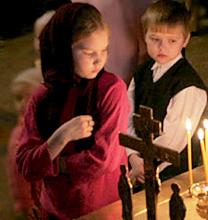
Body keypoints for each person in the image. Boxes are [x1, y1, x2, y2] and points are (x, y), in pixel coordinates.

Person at [16, 3, 130, 219]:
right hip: (54, 209)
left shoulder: (111, 89)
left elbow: (103, 160)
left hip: (100, 208)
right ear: (64, 50)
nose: (99, 60)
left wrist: (54, 164)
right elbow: (26, 166)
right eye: (88, 52)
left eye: (104, 50)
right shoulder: (43, 96)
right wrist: (60, 138)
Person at [126, 0, 208, 186]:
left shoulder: (188, 86)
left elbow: (174, 139)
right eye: (155, 39)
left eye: (172, 40)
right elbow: (127, 115)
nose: (162, 47)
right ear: (144, 35)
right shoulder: (142, 72)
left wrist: (146, 167)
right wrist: (132, 156)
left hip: (171, 172)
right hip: (137, 164)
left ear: (185, 40)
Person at [72, 0, 153, 84]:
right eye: (88, 53)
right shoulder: (76, 8)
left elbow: (146, 56)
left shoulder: (140, 6)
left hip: (125, 86)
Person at [7, 67, 44, 219]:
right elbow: (16, 172)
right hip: (30, 203)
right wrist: (23, 202)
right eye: (17, 98)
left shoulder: (42, 129)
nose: (21, 104)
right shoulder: (20, 132)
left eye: (26, 97)